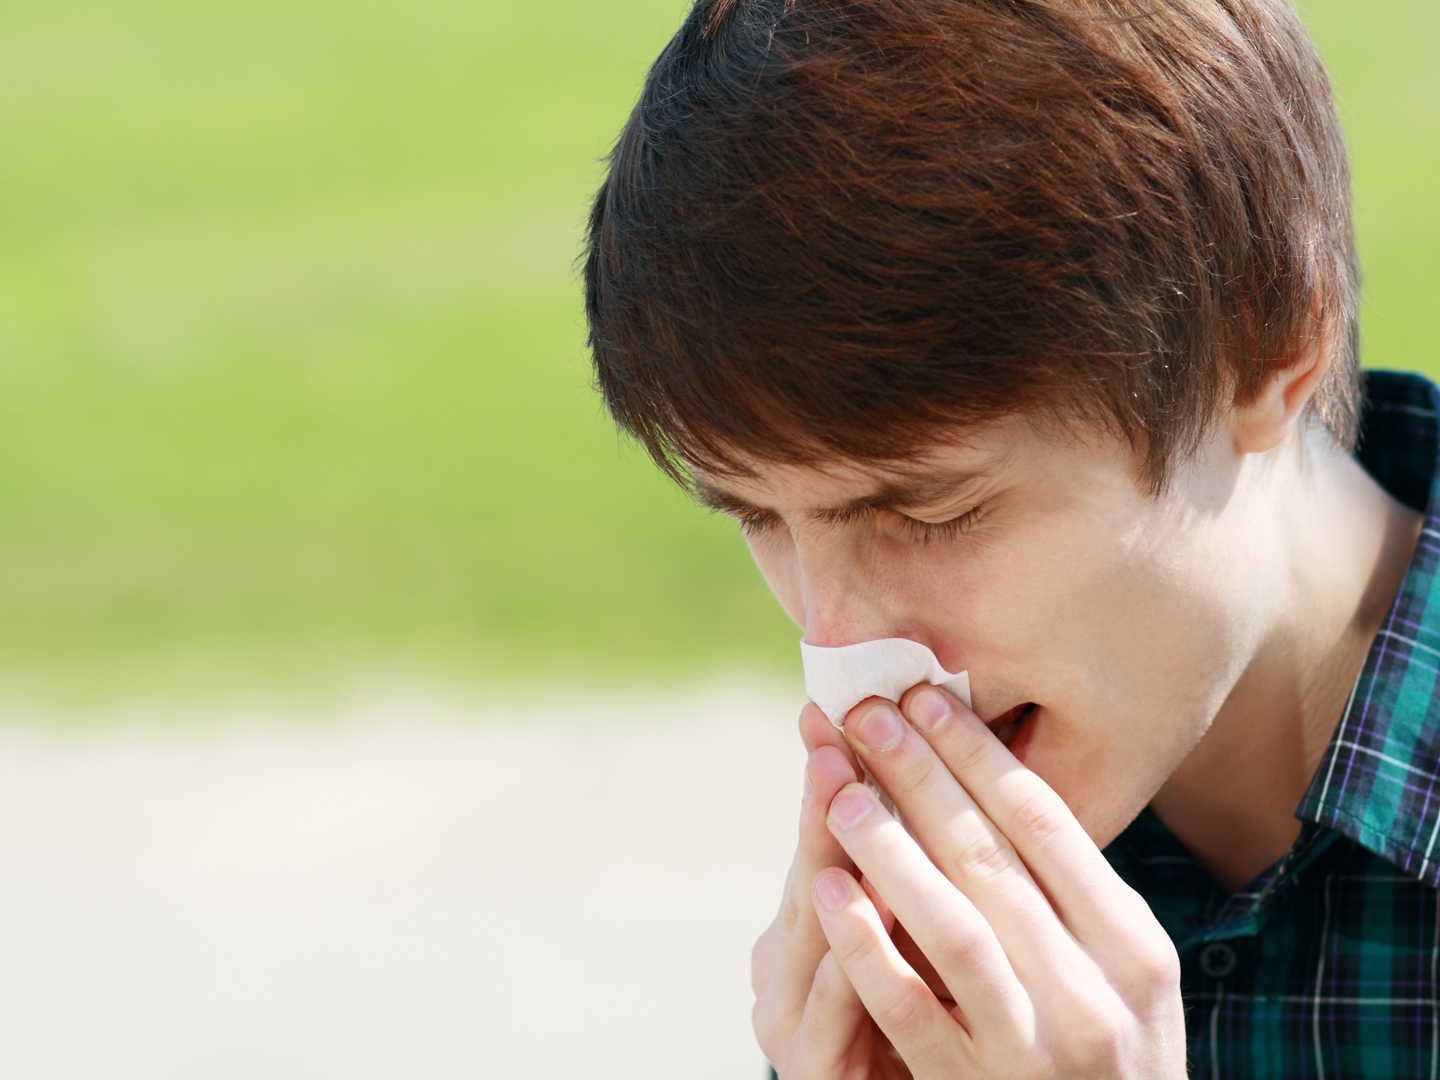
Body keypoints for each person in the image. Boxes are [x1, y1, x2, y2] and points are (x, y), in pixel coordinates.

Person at [582, 1, 1439, 1076]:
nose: (840, 650)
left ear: (1267, 349)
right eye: (760, 517)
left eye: (934, 515)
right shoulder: (926, 943)